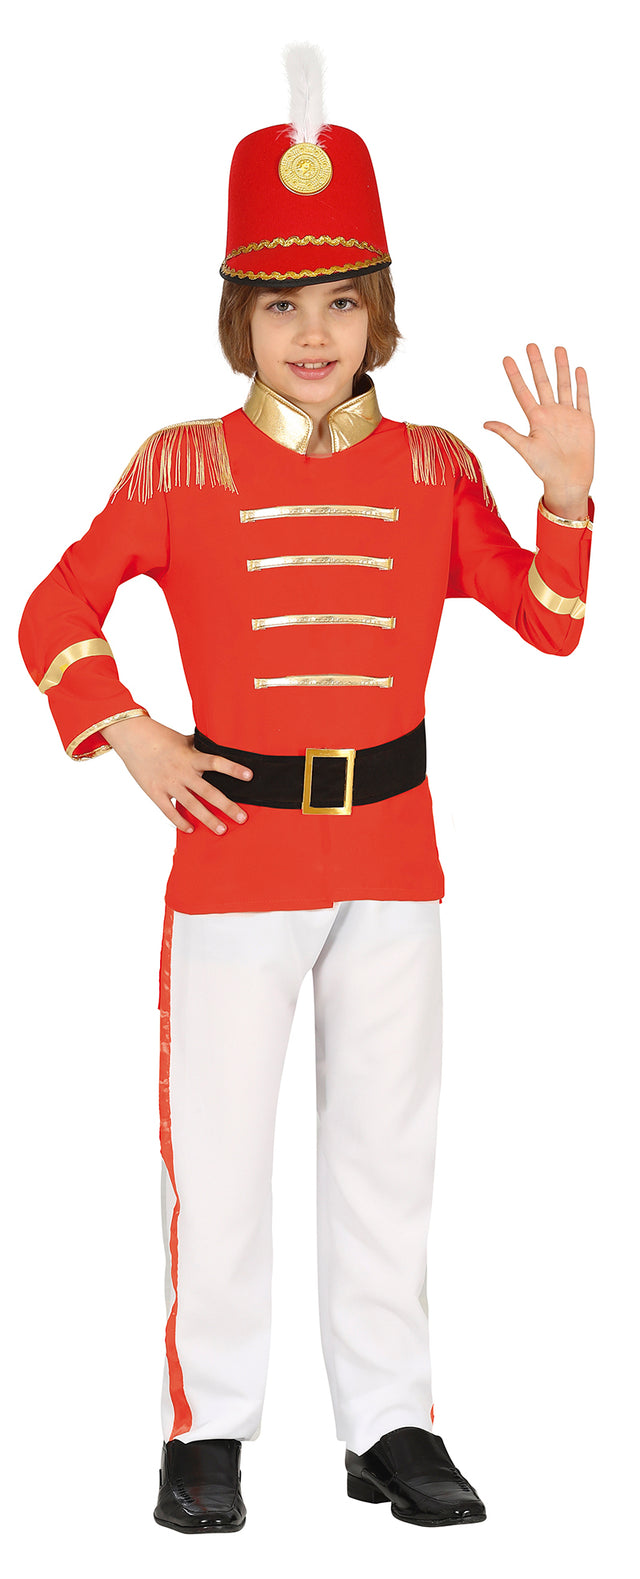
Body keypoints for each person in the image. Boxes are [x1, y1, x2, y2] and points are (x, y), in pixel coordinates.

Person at [17, 42, 595, 1534]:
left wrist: (566, 498)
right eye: (282, 303)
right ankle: (206, 1430)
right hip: (234, 860)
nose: (315, 332)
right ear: (240, 319)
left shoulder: (432, 470)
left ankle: (389, 1424)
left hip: (396, 861)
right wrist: (130, 733)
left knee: (386, 1157)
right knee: (217, 1158)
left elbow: (551, 624)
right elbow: (52, 611)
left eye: (342, 299)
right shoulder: (180, 468)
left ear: (378, 309)